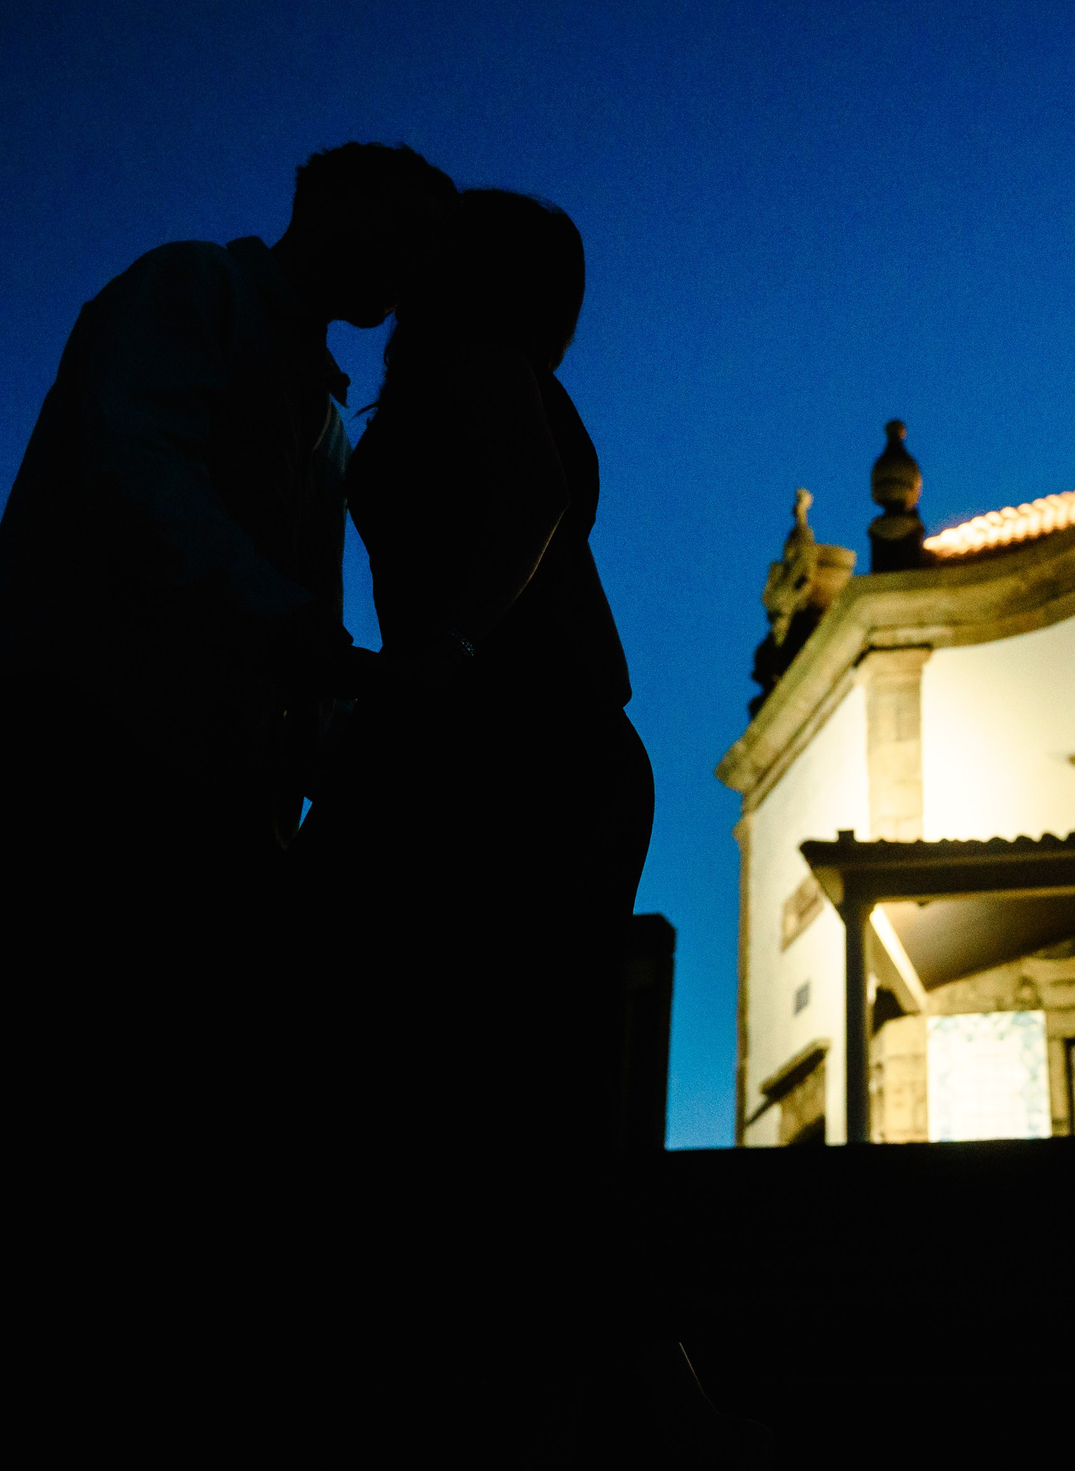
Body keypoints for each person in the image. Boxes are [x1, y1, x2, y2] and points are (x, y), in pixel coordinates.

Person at [0, 141, 456, 1323]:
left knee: (124, 1110)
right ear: (335, 208)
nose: (416, 271)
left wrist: (331, 731)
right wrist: (303, 652)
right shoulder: (189, 288)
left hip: (203, 794)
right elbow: (138, 474)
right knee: (26, 1062)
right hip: (83, 744)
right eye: (406, 237)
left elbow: (300, 620)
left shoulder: (324, 417)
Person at [295, 188, 658, 1426]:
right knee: (512, 1071)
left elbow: (530, 499)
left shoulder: (481, 366)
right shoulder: (482, 375)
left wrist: (442, 651)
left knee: (490, 1070)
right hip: (530, 744)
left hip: (517, 744)